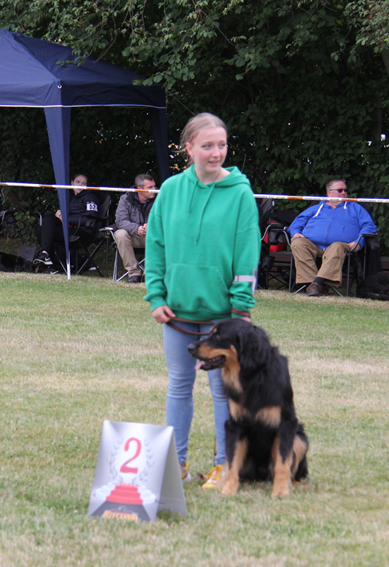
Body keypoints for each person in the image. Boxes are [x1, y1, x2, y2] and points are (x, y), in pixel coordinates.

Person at [144, 112, 259, 490]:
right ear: (188, 147)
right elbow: (157, 246)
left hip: (223, 316)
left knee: (221, 392)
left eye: (222, 145)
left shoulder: (240, 192)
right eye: (207, 145)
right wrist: (156, 296)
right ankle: (173, 465)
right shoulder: (171, 190)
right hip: (176, 312)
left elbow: (246, 253)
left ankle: (225, 466)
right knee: (178, 385)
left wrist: (240, 306)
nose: (216, 153)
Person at [288, 179, 377, 296]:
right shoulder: (317, 208)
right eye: (340, 190)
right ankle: (315, 285)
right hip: (313, 244)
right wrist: (295, 233)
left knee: (336, 247)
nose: (344, 193)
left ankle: (316, 285)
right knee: (297, 243)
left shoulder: (355, 207)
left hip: (341, 245)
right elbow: (296, 223)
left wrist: (358, 242)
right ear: (329, 193)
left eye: (345, 190)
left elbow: (369, 226)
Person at [34, 173, 99, 267]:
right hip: (69, 227)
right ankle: (46, 255)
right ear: (72, 183)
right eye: (77, 182)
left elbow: (89, 221)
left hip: (82, 231)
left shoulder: (91, 197)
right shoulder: (68, 196)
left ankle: (52, 263)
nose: (80, 185)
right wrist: (59, 214)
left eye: (83, 183)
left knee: (43, 231)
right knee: (47, 220)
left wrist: (66, 218)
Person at [113, 174, 156, 283]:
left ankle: (149, 274)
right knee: (120, 234)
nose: (154, 190)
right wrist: (137, 228)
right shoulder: (126, 198)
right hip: (133, 237)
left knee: (163, 235)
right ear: (139, 189)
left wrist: (151, 226)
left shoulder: (160, 199)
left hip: (152, 237)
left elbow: (167, 219)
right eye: (150, 188)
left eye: (154, 186)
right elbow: (120, 221)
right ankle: (134, 273)